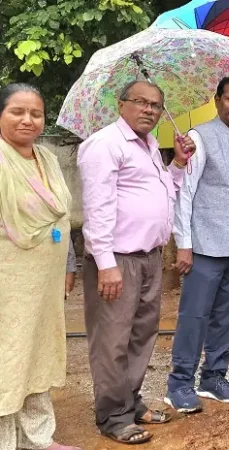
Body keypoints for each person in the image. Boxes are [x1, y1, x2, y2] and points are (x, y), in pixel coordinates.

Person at [79, 80, 195, 445]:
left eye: (156, 105)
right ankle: (113, 416)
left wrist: (177, 163)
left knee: (142, 335)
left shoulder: (147, 146)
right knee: (112, 339)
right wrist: (106, 263)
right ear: (121, 104)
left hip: (148, 258)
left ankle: (129, 401)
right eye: (140, 102)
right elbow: (96, 208)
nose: (149, 110)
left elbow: (166, 193)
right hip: (117, 260)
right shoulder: (104, 145)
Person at [165, 76, 229, 413]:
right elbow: (186, 192)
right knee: (195, 315)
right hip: (206, 244)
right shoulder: (199, 137)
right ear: (217, 100)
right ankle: (180, 383)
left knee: (227, 316)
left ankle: (213, 377)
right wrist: (184, 243)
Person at [0, 83, 81, 450]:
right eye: (17, 111)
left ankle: (38, 438)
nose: (28, 120)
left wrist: (68, 262)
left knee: (39, 353)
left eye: (36, 113)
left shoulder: (47, 159)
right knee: (8, 356)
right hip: (8, 283)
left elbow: (59, 221)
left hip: (45, 283)